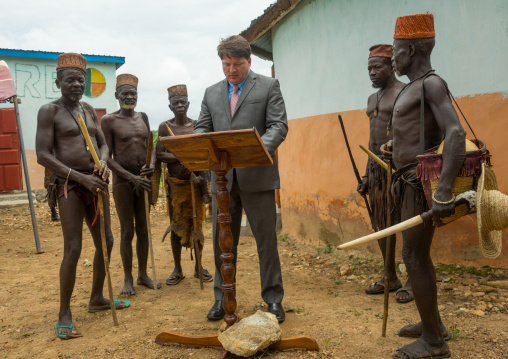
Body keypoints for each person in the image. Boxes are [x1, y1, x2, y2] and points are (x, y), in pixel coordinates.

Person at [381, 14, 466, 358]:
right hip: (407, 181)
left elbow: (455, 133)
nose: (392, 58)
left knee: (412, 256)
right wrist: (393, 148)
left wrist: (443, 190)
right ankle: (433, 323)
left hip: (421, 185)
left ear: (411, 49)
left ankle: (433, 342)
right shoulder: (413, 87)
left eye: (396, 51)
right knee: (418, 255)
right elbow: (416, 132)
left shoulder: (431, 83)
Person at [194, 35, 288, 322]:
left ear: (249, 61)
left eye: (237, 64)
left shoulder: (269, 86)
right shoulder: (211, 93)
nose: (231, 70)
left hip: (257, 177)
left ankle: (273, 300)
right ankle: (222, 299)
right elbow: (201, 127)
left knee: (266, 243)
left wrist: (256, 149)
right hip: (221, 181)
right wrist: (202, 146)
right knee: (223, 244)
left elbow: (279, 125)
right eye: (226, 64)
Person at [36, 53, 129, 340]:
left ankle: (97, 298)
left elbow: (102, 145)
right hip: (69, 185)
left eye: (80, 79)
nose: (76, 84)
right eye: (70, 79)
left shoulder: (87, 109)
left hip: (95, 183)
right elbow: (43, 156)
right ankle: (64, 313)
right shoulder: (49, 111)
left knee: (107, 240)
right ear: (58, 82)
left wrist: (102, 162)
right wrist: (79, 177)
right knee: (73, 248)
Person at [357, 44, 413, 303]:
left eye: (377, 67)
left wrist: (402, 153)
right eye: (369, 68)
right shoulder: (372, 99)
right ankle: (390, 276)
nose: (371, 72)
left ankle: (414, 279)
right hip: (377, 169)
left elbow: (415, 131)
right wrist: (367, 174)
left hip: (402, 168)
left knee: (410, 223)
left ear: (392, 66)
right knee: (382, 223)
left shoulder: (406, 92)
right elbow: (372, 139)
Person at [100, 74, 160, 295]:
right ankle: (128, 279)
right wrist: (129, 177)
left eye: (132, 93)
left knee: (143, 229)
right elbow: (106, 156)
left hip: (143, 180)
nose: (129, 96)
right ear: (117, 96)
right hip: (123, 182)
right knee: (127, 231)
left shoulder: (143, 117)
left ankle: (143, 274)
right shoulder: (109, 120)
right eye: (125, 93)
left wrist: (151, 165)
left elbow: (150, 146)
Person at [156, 84, 213, 286]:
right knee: (176, 226)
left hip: (195, 184)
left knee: (197, 224)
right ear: (170, 106)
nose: (179, 105)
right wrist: (178, 156)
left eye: (182, 102)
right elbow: (159, 153)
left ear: (188, 104)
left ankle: (199, 266)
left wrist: (192, 159)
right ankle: (178, 269)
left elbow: (202, 150)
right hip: (176, 186)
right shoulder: (165, 127)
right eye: (175, 103)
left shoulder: (196, 125)